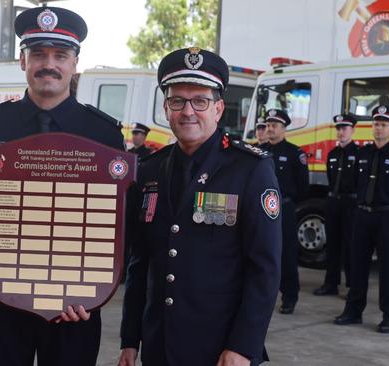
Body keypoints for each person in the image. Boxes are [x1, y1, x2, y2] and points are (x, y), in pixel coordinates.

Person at [0, 6, 124, 366]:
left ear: (75, 64)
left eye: (60, 55)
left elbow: (120, 221)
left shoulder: (103, 133)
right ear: (23, 61)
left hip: (76, 300)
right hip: (1, 292)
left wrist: (93, 290)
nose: (49, 64)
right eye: (38, 54)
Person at [119, 47, 281, 366]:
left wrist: (243, 346)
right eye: (178, 100)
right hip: (159, 346)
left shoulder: (250, 170)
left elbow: (264, 269)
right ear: (166, 108)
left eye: (200, 101)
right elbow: (141, 264)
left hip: (221, 350)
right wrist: (130, 339)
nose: (188, 111)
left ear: (218, 109)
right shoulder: (150, 169)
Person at [334, 105, 389, 333]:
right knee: (357, 264)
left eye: (383, 125)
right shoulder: (363, 154)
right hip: (363, 216)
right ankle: (353, 311)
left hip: (388, 218)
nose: (378, 129)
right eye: (376, 124)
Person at [260, 108, 309, 314]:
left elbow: (303, 187)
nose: (270, 129)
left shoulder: (294, 153)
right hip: (259, 210)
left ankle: (289, 296)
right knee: (259, 252)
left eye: (275, 125)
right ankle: (261, 295)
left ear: (284, 129)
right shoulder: (257, 151)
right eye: (268, 125)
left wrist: (287, 203)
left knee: (287, 253)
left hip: (284, 209)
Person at [313, 114, 358, 296]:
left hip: (351, 203)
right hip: (333, 202)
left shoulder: (359, 153)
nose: (341, 132)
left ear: (352, 130)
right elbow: (331, 179)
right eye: (338, 129)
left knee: (350, 245)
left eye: (344, 128)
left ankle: (351, 286)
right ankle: (331, 284)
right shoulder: (332, 154)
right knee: (332, 245)